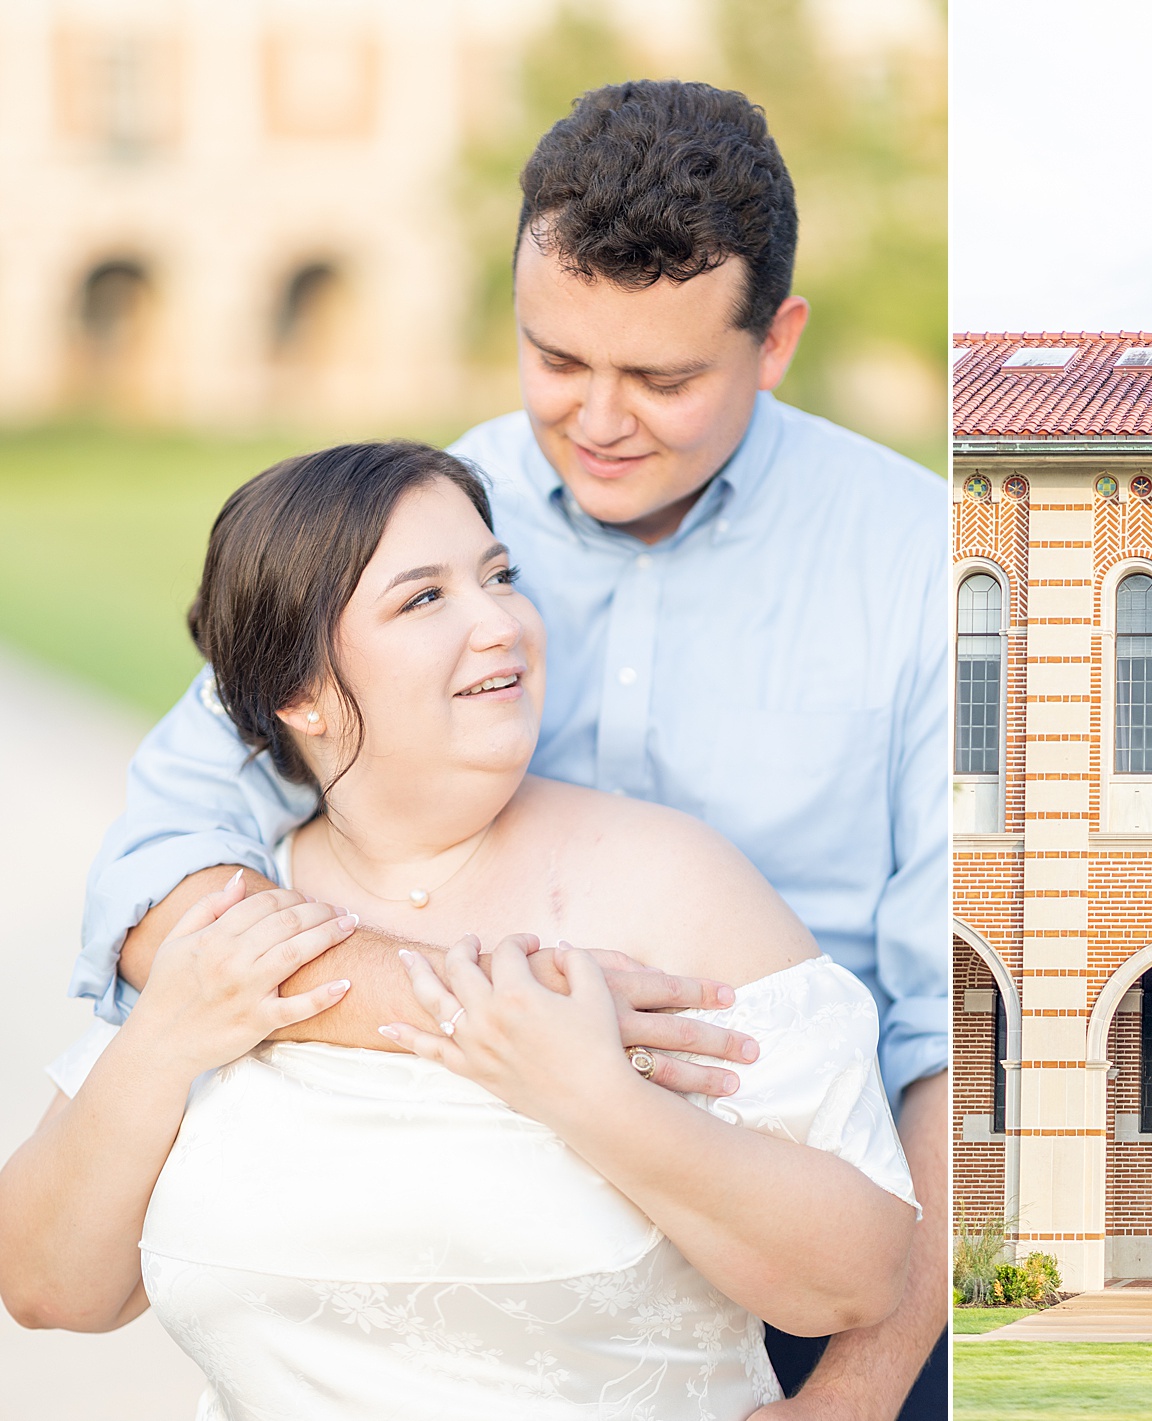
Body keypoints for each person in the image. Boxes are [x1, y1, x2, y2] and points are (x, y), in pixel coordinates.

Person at [71, 81, 948, 1418]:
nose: (598, 418)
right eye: (556, 358)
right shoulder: (411, 531)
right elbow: (158, 869)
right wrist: (496, 1006)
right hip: (476, 1241)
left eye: (662, 379)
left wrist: (862, 1388)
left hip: (826, 1246)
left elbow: (967, 1022)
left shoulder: (923, 563)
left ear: (776, 341)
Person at [0, 443, 919, 1419]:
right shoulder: (237, 916)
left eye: (500, 576)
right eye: (425, 598)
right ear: (300, 695)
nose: (503, 622)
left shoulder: (677, 886)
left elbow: (855, 1276)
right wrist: (163, 1036)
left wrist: (594, 1096)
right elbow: (52, 1288)